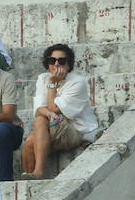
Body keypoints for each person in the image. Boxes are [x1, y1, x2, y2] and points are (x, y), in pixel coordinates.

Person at [21, 43, 97, 179]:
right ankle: (32, 182)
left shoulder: (77, 82)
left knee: (39, 122)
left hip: (76, 129)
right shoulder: (42, 78)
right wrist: (49, 113)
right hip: (53, 125)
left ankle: (38, 172)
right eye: (52, 61)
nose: (56, 64)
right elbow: (39, 109)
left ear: (68, 65)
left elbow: (53, 108)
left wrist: (52, 84)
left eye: (61, 61)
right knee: (29, 142)